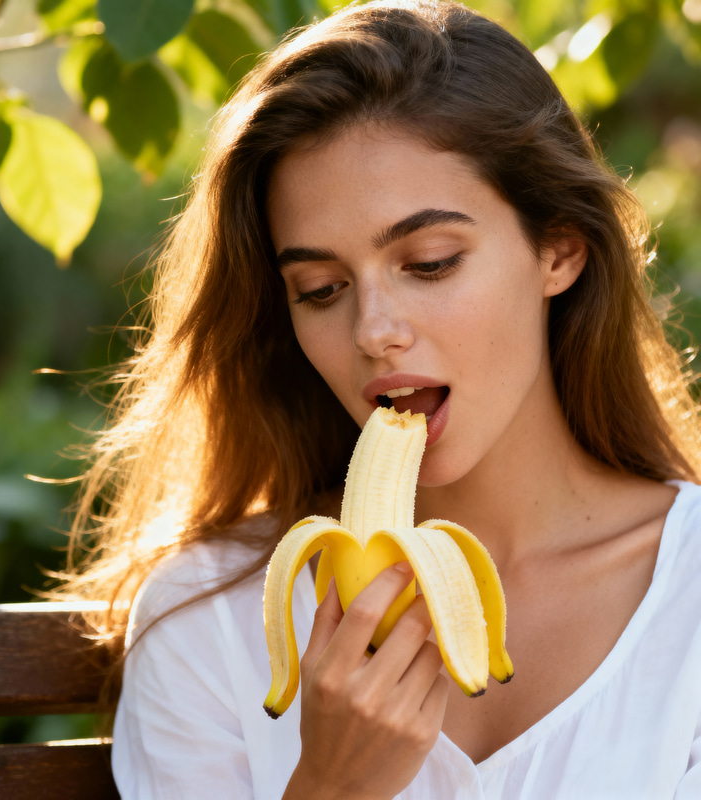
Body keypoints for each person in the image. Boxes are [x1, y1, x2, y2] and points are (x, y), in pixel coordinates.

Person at [59, 1, 701, 797]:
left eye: (429, 262)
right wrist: (329, 785)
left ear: (558, 250)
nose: (375, 330)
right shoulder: (207, 619)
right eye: (321, 289)